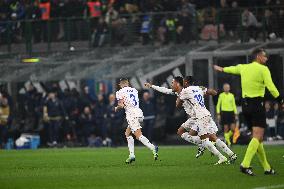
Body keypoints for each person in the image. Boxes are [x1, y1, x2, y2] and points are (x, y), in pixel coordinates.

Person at [214, 48, 282, 176]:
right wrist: (280, 100)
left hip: (245, 107)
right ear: (258, 56)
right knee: (257, 136)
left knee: (258, 138)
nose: (266, 59)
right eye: (264, 56)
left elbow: (233, 69)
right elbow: (271, 86)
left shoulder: (243, 67)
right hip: (257, 105)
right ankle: (245, 164)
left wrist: (222, 69)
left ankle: (267, 168)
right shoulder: (263, 69)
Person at [146, 76, 237, 165]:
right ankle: (224, 152)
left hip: (200, 117)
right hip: (196, 117)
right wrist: (152, 86)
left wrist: (181, 98)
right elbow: (213, 92)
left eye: (173, 83)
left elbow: (177, 105)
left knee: (207, 138)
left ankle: (221, 156)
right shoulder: (196, 88)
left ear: (179, 84)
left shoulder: (184, 92)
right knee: (181, 131)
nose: (171, 85)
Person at [115, 78, 158, 164]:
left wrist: (116, 108)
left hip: (132, 115)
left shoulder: (119, 92)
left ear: (120, 84)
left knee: (138, 135)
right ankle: (132, 155)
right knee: (127, 133)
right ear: (128, 83)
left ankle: (153, 147)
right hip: (139, 112)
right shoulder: (134, 90)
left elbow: (121, 105)